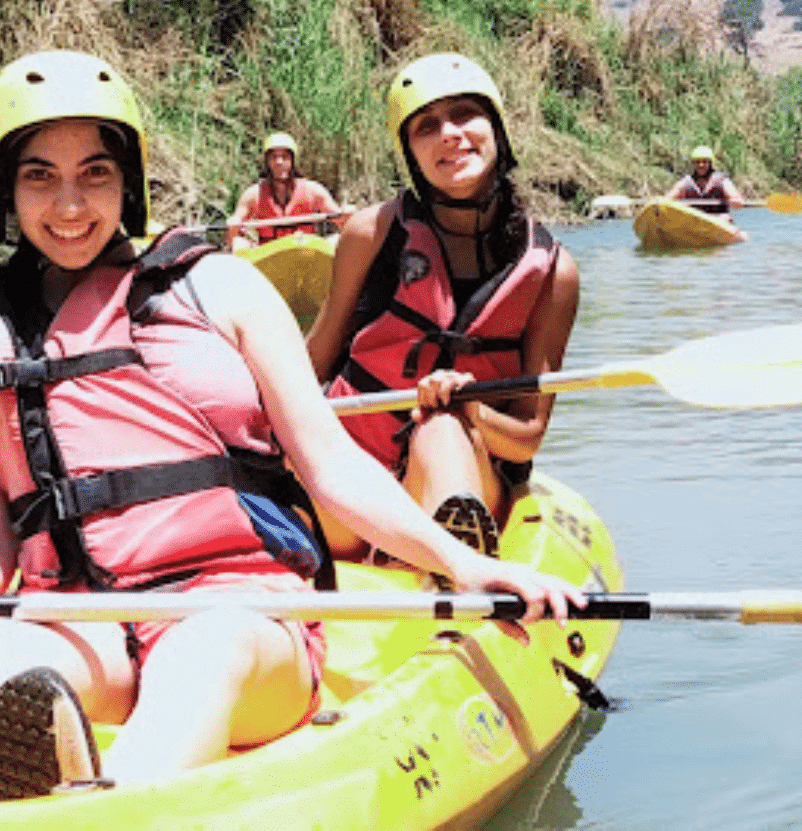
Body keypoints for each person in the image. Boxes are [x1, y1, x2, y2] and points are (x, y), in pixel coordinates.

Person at [0, 50, 585, 800]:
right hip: (87, 618)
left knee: (202, 651)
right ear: (9, 191)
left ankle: (109, 808)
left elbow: (328, 466)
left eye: (96, 173)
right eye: (39, 176)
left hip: (242, 615)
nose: (71, 205)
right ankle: (64, 782)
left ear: (130, 181)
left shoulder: (220, 287)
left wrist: (462, 564)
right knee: (11, 654)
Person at [306, 53, 580, 561]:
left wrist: (470, 406)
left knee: (442, 428)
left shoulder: (552, 273)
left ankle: (450, 568)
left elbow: (527, 439)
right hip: (359, 480)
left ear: (495, 128)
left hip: (467, 469)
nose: (450, 134)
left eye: (464, 115)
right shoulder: (372, 234)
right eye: (426, 126)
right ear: (410, 152)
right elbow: (312, 362)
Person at [225, 131, 353, 250]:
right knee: (239, 244)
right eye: (274, 157)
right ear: (267, 162)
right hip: (268, 257)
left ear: (292, 161)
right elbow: (233, 236)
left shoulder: (313, 191)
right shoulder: (253, 195)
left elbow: (341, 221)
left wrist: (347, 215)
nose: (279, 162)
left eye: (284, 157)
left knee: (337, 240)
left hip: (306, 254)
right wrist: (233, 226)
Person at [665, 145, 745, 217]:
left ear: (710, 163)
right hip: (694, 222)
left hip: (718, 221)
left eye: (704, 162)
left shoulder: (721, 180)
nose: (701, 165)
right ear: (694, 164)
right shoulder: (686, 182)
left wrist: (735, 201)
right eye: (698, 162)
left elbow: (735, 198)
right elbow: (668, 199)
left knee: (725, 218)